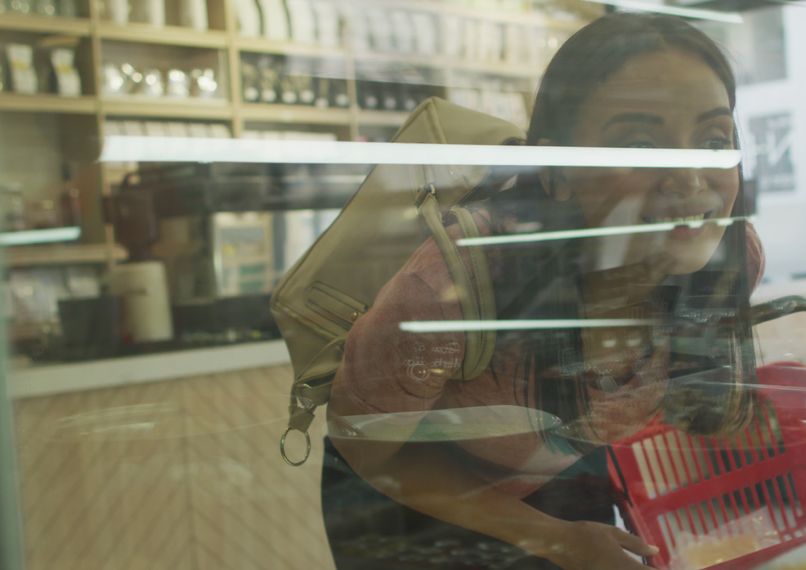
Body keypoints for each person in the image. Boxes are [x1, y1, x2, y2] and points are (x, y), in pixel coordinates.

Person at [321, 12, 765, 570]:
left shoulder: (731, 261)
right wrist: (551, 539)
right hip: (407, 502)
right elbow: (370, 447)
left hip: (557, 474)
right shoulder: (450, 290)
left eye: (712, 141)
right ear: (555, 172)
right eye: (638, 144)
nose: (691, 178)